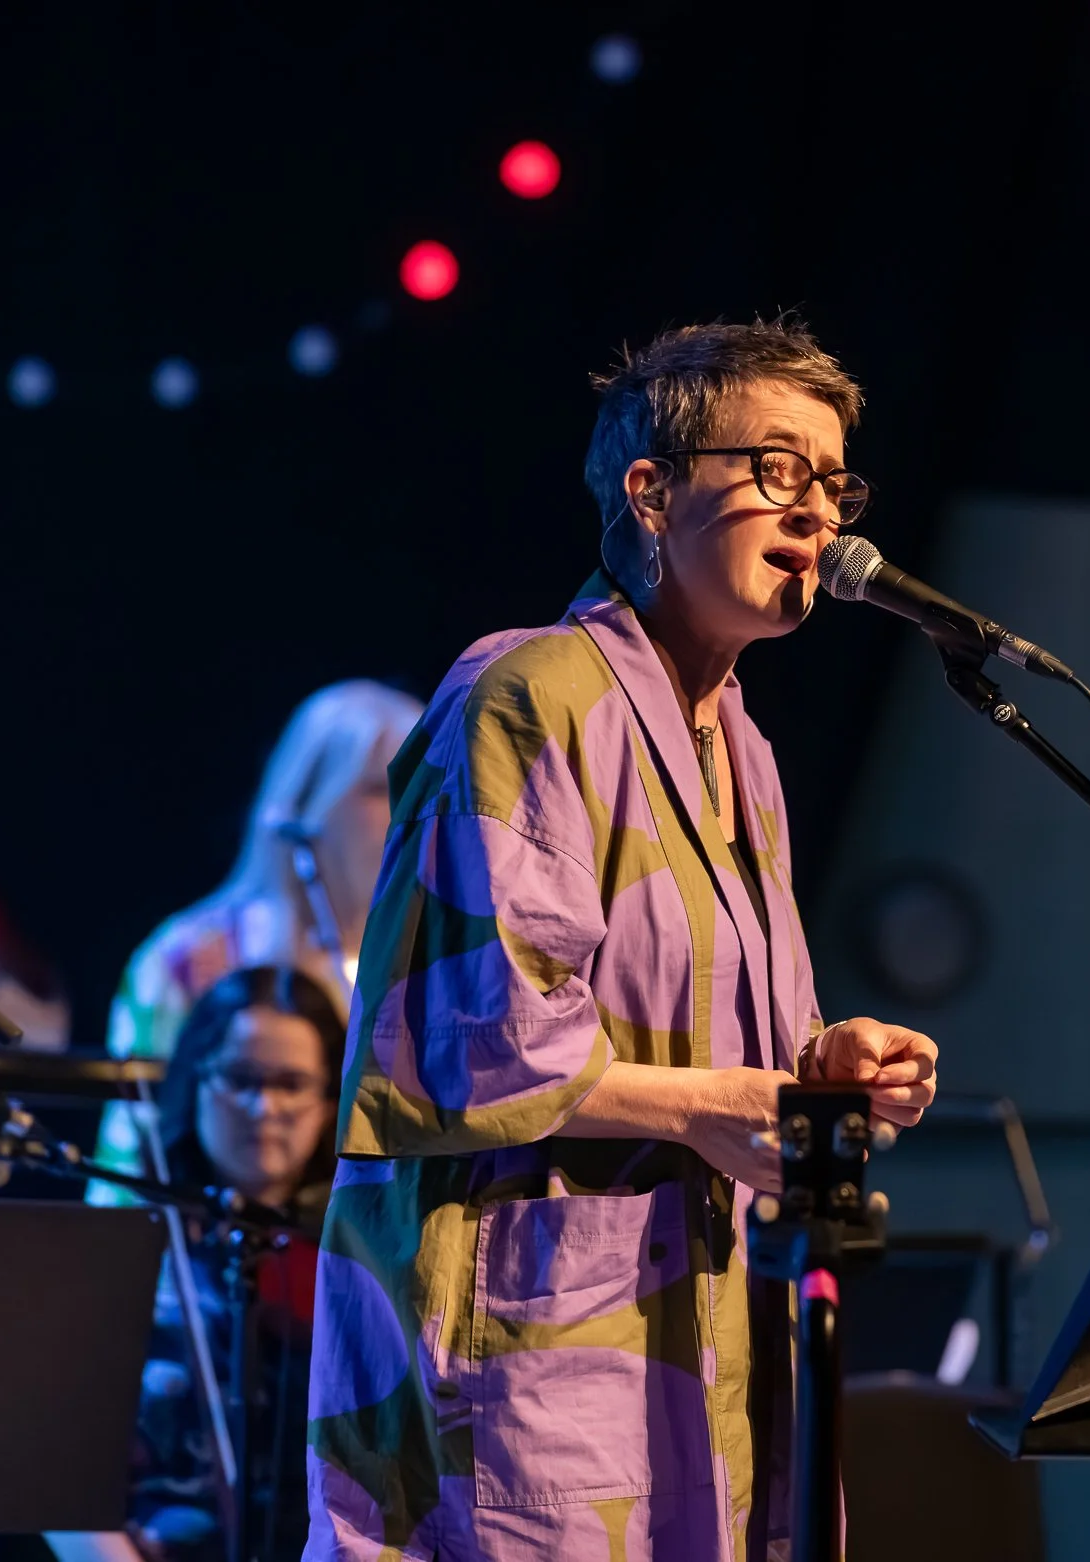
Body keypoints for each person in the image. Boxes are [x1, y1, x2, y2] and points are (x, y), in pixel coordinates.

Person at [304, 318, 940, 1561]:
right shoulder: (531, 693)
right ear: (651, 491)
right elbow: (472, 1040)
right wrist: (716, 1102)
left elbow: (696, 1028)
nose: (816, 511)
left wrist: (822, 1059)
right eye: (776, 468)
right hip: (536, 1341)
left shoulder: (741, 748)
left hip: (703, 1331)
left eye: (834, 480)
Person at [92, 680, 421, 1200]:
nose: (410, 809)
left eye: (423, 784)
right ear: (308, 803)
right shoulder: (187, 961)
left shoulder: (435, 958)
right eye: (381, 789)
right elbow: (131, 1161)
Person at [126, 965, 345, 1562]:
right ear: (197, 1081)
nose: (263, 1106)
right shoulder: (131, 1258)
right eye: (240, 1077)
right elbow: (51, 1466)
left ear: (330, 1102)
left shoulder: (354, 1261)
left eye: (292, 1083)